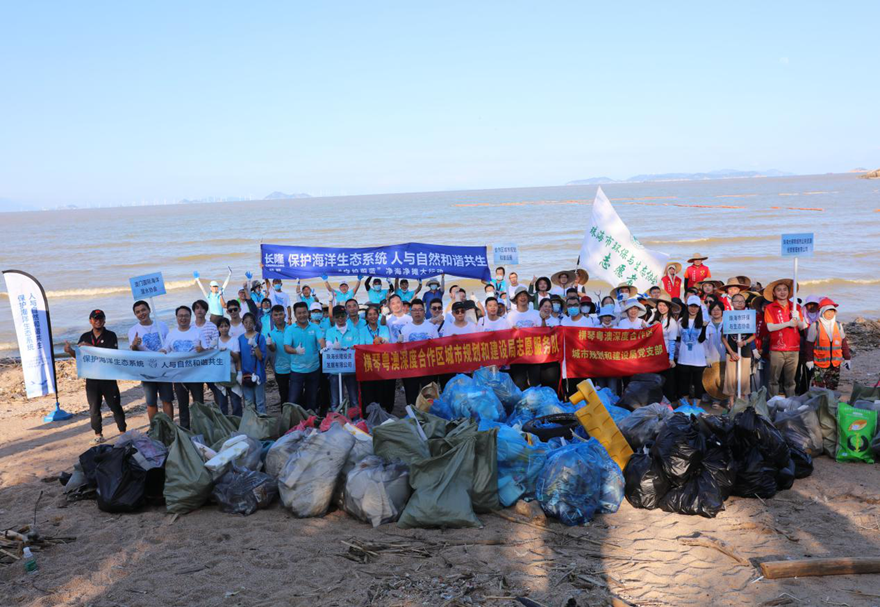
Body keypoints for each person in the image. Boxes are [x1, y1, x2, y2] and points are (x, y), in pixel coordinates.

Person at [64, 310, 127, 443]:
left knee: (115, 406)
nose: (98, 321)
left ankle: (123, 432)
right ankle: (98, 435)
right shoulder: (85, 336)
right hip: (92, 378)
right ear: (90, 321)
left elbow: (110, 356)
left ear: (104, 320)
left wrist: (90, 347)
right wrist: (70, 351)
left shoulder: (111, 335)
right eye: (95, 319)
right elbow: (80, 357)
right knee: (94, 408)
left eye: (100, 318)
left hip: (108, 378)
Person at [162, 305, 209, 429]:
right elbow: (166, 348)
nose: (183, 318)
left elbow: (207, 350)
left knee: (199, 404)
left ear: (190, 317)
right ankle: (185, 431)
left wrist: (201, 349)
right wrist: (161, 352)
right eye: (180, 316)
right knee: (183, 406)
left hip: (195, 375)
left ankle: (201, 430)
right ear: (176, 317)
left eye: (186, 316)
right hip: (179, 375)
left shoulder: (197, 332)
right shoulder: (172, 334)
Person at [128, 300, 172, 422]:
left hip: (163, 368)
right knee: (151, 402)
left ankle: (170, 426)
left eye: (143, 310)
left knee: (167, 400)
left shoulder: (161, 325)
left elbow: (169, 343)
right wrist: (134, 344)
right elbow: (133, 351)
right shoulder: (133, 330)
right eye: (138, 312)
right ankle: (154, 427)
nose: (141, 313)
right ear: (135, 314)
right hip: (147, 370)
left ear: (149, 310)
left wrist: (165, 350)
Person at [763, 279, 806, 397]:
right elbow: (770, 327)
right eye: (779, 290)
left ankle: (790, 403)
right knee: (774, 380)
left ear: (789, 291)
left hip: (793, 348)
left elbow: (802, 327)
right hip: (777, 349)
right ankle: (772, 403)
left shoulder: (796, 307)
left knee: (790, 381)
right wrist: (788, 323)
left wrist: (798, 318)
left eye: (785, 289)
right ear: (774, 293)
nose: (782, 292)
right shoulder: (770, 307)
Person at [284, 301, 326, 412]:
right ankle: (293, 419)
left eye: (304, 312)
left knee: (311, 399)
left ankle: (310, 420)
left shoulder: (315, 327)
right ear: (295, 314)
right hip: (297, 370)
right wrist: (295, 351)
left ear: (308, 313)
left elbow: (321, 340)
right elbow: (286, 347)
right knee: (293, 399)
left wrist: (324, 347)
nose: (302, 315)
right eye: (299, 313)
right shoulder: (290, 329)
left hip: (313, 369)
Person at [804, 298, 851, 391]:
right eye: (828, 311)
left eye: (832, 311)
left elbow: (843, 343)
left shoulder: (838, 325)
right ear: (822, 312)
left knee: (833, 387)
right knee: (818, 388)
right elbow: (809, 345)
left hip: (835, 364)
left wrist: (847, 358)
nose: (830, 313)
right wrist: (809, 360)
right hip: (819, 365)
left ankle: (831, 400)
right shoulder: (815, 326)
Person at [398, 299, 439, 405]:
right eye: (414, 310)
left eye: (420, 310)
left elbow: (437, 346)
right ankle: (413, 413)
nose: (417, 312)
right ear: (410, 312)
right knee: (411, 396)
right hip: (411, 368)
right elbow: (402, 350)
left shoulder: (431, 327)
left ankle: (428, 413)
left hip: (428, 367)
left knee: (428, 396)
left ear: (424, 312)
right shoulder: (405, 329)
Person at [358, 305, 395, 412]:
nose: (372, 316)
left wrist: (382, 340)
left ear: (378, 316)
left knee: (383, 390)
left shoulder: (384, 328)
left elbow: (388, 343)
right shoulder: (362, 331)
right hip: (369, 366)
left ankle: (384, 412)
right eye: (370, 314)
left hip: (383, 365)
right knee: (369, 391)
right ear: (366, 317)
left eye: (375, 314)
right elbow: (361, 346)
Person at [722, 293, 755, 408]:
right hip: (731, 352)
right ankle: (731, 404)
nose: (740, 303)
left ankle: (742, 404)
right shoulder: (728, 316)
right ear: (732, 303)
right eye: (737, 301)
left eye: (742, 301)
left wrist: (745, 342)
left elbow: (754, 335)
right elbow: (723, 337)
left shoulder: (749, 316)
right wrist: (731, 352)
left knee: (744, 378)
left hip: (745, 352)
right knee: (730, 378)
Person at [324, 305, 360, 409]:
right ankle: (337, 417)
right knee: (335, 400)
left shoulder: (353, 330)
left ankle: (355, 417)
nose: (340, 318)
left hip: (350, 369)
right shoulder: (330, 331)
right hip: (335, 370)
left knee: (354, 399)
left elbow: (355, 347)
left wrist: (342, 348)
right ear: (333, 318)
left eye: (342, 316)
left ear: (346, 316)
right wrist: (333, 346)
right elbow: (328, 345)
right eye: (337, 316)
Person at [677, 295, 708, 406]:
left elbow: (701, 339)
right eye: (691, 306)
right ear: (687, 306)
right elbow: (678, 337)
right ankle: (685, 406)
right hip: (684, 357)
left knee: (698, 383)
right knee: (684, 382)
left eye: (696, 306)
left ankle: (696, 406)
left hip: (698, 359)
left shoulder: (703, 322)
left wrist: (704, 327)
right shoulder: (680, 321)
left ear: (699, 308)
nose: (693, 309)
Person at [652, 293, 680, 402]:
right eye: (660, 305)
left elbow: (672, 341)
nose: (662, 308)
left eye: (664, 305)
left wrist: (671, 358)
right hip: (656, 353)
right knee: (657, 379)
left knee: (667, 380)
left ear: (669, 307)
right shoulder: (657, 318)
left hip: (666, 354)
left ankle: (669, 402)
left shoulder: (672, 322)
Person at [238, 312, 267, 413]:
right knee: (248, 402)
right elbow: (239, 358)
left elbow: (261, 357)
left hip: (258, 374)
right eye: (246, 322)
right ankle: (251, 422)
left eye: (250, 322)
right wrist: (239, 373)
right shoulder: (240, 339)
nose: (248, 325)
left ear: (254, 323)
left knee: (260, 402)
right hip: (245, 374)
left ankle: (262, 421)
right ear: (243, 323)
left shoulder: (260, 337)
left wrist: (255, 345)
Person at [214, 317, 243, 416]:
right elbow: (211, 357)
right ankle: (225, 423)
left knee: (236, 400)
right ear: (218, 328)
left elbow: (237, 358)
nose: (224, 328)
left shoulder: (234, 340)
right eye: (221, 326)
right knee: (222, 403)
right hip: (219, 375)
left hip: (232, 373)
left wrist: (229, 351)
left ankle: (237, 421)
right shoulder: (215, 341)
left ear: (229, 327)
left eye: (226, 326)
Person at [265, 304, 292, 404]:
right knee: (284, 395)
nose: (278, 317)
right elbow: (273, 349)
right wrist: (269, 344)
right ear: (272, 317)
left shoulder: (292, 329)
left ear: (284, 315)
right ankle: (285, 413)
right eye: (276, 315)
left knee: (297, 394)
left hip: (295, 367)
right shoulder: (271, 334)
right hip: (280, 368)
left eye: (280, 314)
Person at [590, 305, 621, 394]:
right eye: (605, 316)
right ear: (601, 318)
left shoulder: (618, 330)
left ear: (612, 317)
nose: (607, 318)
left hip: (613, 364)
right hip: (599, 364)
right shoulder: (595, 329)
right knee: (600, 389)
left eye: (609, 316)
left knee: (613, 389)